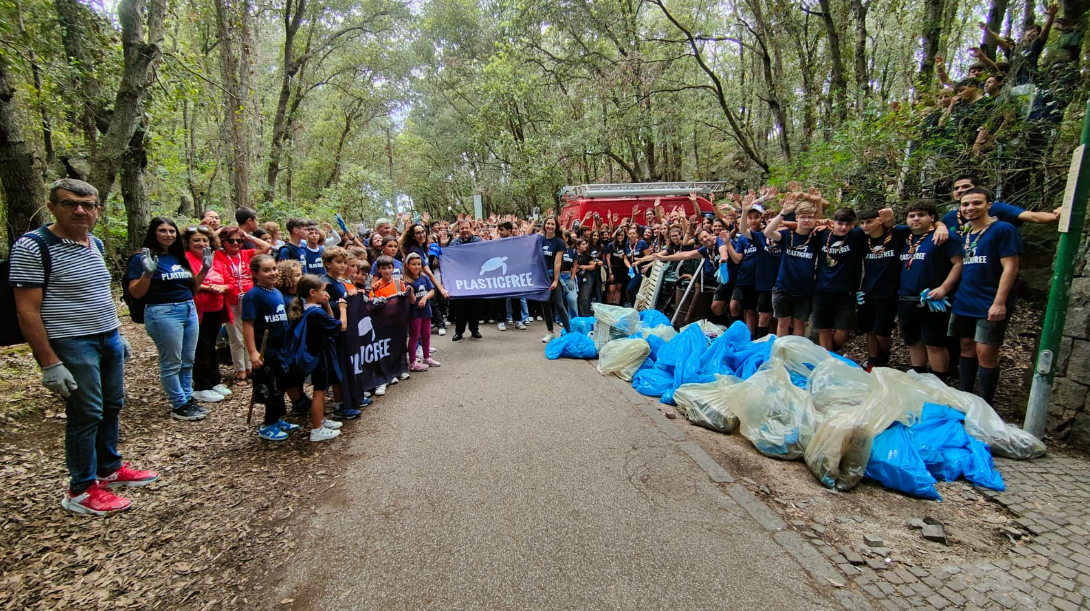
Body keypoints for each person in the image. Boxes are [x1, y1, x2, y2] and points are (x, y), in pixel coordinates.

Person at [11, 178, 157, 515]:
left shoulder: (95, 243)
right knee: (86, 412)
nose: (79, 211)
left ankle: (108, 468)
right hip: (71, 341)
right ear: (52, 207)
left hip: (107, 336)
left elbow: (98, 293)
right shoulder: (33, 246)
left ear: (97, 210)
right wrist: (50, 363)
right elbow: (27, 310)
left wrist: (117, 333)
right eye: (69, 203)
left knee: (112, 404)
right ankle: (81, 488)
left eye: (87, 205)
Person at [127, 217, 212, 420]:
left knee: (188, 359)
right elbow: (136, 293)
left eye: (171, 231)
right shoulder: (141, 258)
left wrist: (204, 269)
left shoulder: (177, 256)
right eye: (162, 230)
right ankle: (179, 403)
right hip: (163, 312)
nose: (168, 235)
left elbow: (192, 287)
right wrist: (147, 273)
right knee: (172, 361)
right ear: (153, 233)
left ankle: (187, 397)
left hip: (188, 308)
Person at [949, 187, 1022, 404]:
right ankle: (966, 396)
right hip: (965, 299)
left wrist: (999, 303)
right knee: (966, 347)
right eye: (965, 204)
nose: (970, 208)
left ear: (989, 205)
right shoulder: (966, 234)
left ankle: (986, 402)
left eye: (976, 203)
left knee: (986, 352)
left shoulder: (1003, 230)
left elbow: (1011, 267)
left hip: (989, 301)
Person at [897, 200, 963, 382]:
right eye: (911, 216)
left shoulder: (943, 237)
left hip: (933, 300)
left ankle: (940, 380)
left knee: (934, 343)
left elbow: (959, 264)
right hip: (906, 298)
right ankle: (918, 376)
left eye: (921, 215)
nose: (916, 219)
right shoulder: (904, 238)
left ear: (932, 217)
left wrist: (944, 288)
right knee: (913, 341)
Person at [241, 254, 301, 441]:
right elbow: (248, 324)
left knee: (281, 384)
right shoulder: (253, 295)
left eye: (274, 268)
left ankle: (277, 419)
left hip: (280, 347)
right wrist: (253, 352)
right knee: (271, 386)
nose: (273, 273)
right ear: (255, 273)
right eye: (266, 270)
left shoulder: (276, 292)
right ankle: (268, 425)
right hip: (266, 349)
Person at [285, 274, 346, 442]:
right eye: (322, 290)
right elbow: (341, 326)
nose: (325, 294)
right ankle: (317, 429)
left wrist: (326, 304)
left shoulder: (307, 309)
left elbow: (330, 323)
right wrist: (343, 309)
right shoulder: (315, 314)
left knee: (321, 389)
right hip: (319, 355)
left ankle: (321, 420)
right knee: (319, 391)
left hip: (318, 353)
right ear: (312, 292)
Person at [184, 226, 234, 403]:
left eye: (204, 240)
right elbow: (188, 282)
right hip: (199, 309)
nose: (201, 243)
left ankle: (214, 380)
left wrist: (223, 287)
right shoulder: (185, 258)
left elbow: (229, 281)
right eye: (196, 240)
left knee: (212, 344)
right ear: (188, 243)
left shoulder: (215, 258)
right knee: (202, 346)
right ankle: (201, 386)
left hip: (216, 308)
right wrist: (207, 287)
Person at [810, 208, 867, 352]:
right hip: (822, 290)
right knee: (824, 329)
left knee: (843, 331)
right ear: (833, 222)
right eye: (840, 223)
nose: (843, 227)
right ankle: (828, 360)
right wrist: (821, 223)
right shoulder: (822, 234)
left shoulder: (856, 235)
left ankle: (831, 352)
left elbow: (879, 224)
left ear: (853, 224)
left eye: (848, 224)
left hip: (846, 292)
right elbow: (798, 225)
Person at [764, 196, 820, 337]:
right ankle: (781, 349)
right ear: (797, 218)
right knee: (783, 322)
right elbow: (767, 232)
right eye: (803, 217)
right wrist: (783, 212)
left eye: (810, 217)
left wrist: (824, 222)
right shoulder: (787, 235)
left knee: (799, 323)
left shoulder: (816, 237)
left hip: (804, 289)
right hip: (783, 286)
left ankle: (797, 349)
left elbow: (831, 225)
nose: (806, 220)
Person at [217, 226, 257, 386]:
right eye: (231, 240)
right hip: (231, 300)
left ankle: (250, 368)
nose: (235, 243)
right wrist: (220, 231)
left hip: (247, 299)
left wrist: (247, 236)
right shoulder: (218, 255)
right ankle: (241, 371)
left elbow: (266, 247)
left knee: (248, 335)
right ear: (223, 241)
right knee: (236, 338)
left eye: (238, 241)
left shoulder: (245, 254)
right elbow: (210, 243)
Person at [447, 220, 484, 341]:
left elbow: (482, 256)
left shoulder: (478, 241)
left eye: (466, 228)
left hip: (475, 278)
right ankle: (459, 332)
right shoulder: (454, 243)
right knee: (460, 307)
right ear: (459, 230)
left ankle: (474, 330)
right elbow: (450, 260)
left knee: (475, 306)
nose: (464, 230)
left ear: (471, 228)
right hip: (460, 279)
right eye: (462, 228)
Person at [539, 217, 573, 342]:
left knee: (559, 304)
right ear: (544, 225)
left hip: (553, 276)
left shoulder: (559, 242)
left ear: (556, 227)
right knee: (545, 305)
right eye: (548, 223)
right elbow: (527, 234)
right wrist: (534, 220)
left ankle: (569, 333)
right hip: (542, 278)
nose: (550, 226)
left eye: (552, 224)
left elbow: (557, 262)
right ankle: (550, 332)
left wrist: (556, 280)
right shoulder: (540, 240)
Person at [404, 253, 441, 370]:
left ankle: (426, 357)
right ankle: (412, 362)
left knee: (426, 335)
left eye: (419, 264)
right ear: (407, 265)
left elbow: (431, 291)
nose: (417, 267)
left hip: (426, 310)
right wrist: (411, 293)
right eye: (413, 264)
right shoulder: (407, 281)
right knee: (414, 337)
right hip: (415, 312)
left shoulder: (424, 277)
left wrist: (425, 298)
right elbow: (411, 300)